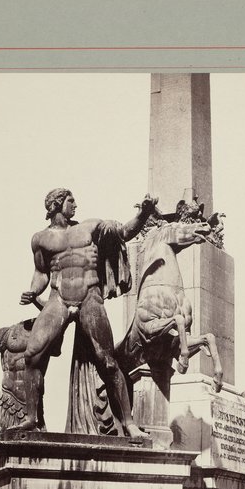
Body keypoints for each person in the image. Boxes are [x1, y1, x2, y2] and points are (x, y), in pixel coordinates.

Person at [19, 188, 158, 438]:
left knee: (107, 361)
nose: (75, 205)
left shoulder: (90, 226)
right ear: (56, 205)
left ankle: (129, 423)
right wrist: (32, 292)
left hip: (89, 295)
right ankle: (31, 418)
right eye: (70, 201)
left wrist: (144, 213)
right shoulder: (40, 239)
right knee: (32, 354)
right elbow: (41, 273)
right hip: (58, 296)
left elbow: (124, 233)